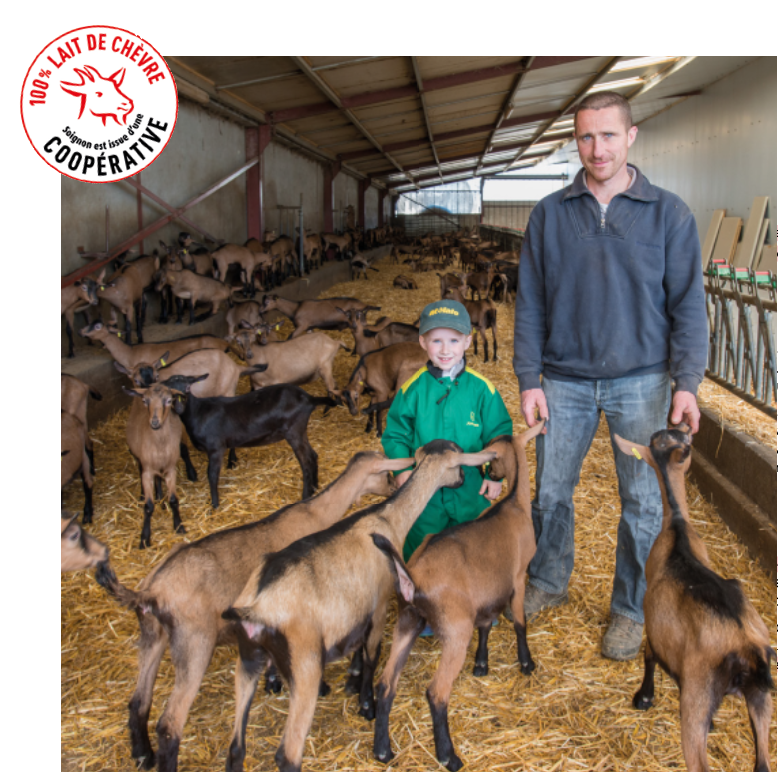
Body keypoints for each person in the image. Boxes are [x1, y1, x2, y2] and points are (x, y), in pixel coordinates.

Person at [513, 91, 708, 661]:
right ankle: (548, 578)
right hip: (564, 379)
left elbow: (688, 306)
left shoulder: (669, 213)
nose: (597, 149)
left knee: (643, 502)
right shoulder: (550, 214)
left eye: (608, 135)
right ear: (575, 140)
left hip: (642, 380)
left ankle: (630, 608)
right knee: (550, 490)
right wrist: (529, 378)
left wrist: (687, 383)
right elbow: (530, 303)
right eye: (586, 136)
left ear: (631, 136)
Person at [382, 299, 513, 564]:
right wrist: (402, 472)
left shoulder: (482, 389)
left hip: (472, 489)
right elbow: (396, 433)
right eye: (436, 341)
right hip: (424, 492)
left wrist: (495, 475)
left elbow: (499, 434)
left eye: (454, 340)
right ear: (422, 342)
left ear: (468, 341)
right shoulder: (412, 389)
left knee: (476, 546)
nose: (445, 350)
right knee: (421, 551)